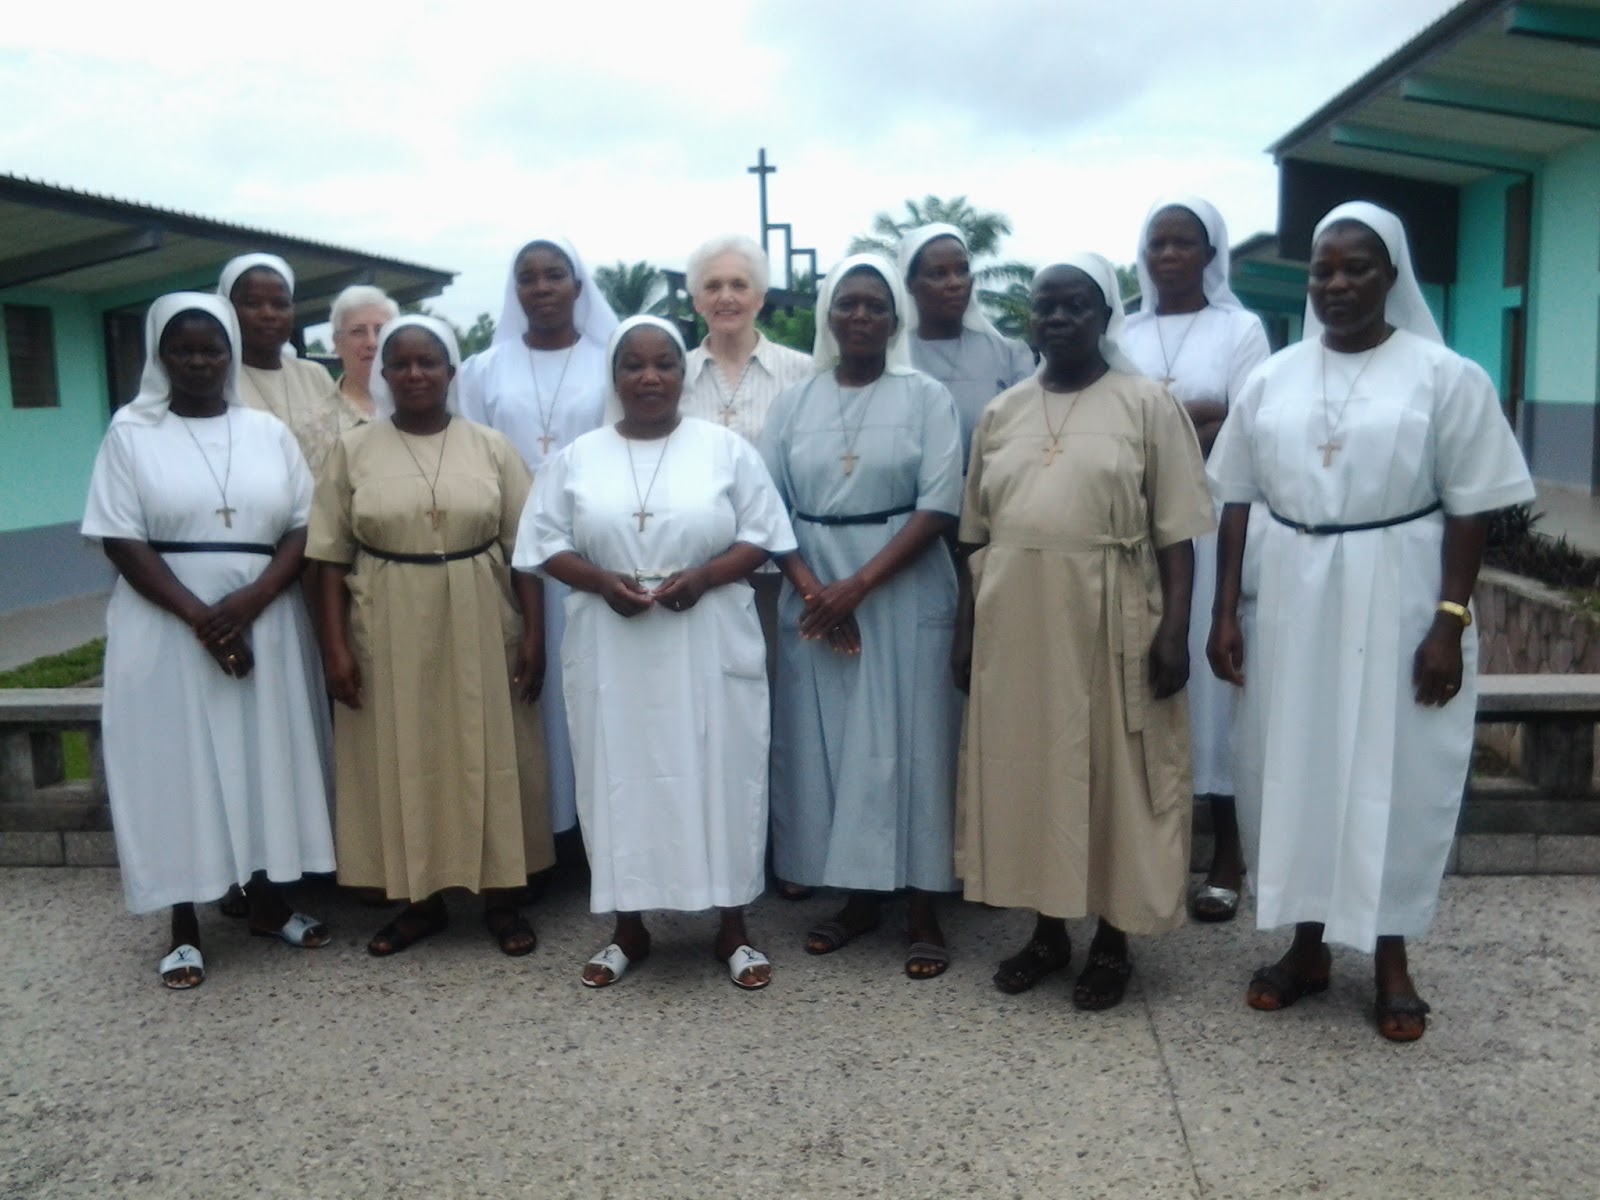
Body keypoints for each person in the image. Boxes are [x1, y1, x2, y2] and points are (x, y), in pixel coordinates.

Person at [1207, 201, 1534, 1042]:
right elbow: (1236, 496)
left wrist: (1449, 623)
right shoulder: (1271, 377)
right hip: (1288, 598)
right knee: (1295, 765)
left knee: (1393, 768)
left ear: (1393, 276)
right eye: (1324, 269)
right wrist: (1223, 609)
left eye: (1358, 267)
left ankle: (1390, 958)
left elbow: (1471, 509)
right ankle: (1307, 947)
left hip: (1398, 593)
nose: (1339, 283)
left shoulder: (1445, 375)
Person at [954, 255, 1213, 1010]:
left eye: (1076, 306)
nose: (1058, 319)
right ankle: (1046, 931)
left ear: (1105, 317)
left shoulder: (1146, 404)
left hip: (1112, 614)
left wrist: (1175, 634)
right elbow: (975, 534)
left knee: (1114, 776)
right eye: (1044, 307)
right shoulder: (1002, 412)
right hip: (1017, 623)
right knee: (1033, 771)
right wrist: (967, 634)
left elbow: (1178, 534)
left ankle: (1112, 939)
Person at [518, 315, 796, 989]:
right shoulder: (577, 457)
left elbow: (765, 534)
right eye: (633, 365)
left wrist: (703, 576)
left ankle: (732, 927)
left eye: (664, 364)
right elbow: (541, 543)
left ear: (683, 374)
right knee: (618, 775)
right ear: (614, 377)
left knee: (721, 769)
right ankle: (628, 928)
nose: (649, 377)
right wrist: (597, 581)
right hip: (613, 642)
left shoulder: (724, 449)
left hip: (707, 634)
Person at [82, 292, 335, 989]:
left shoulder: (266, 433)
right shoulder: (131, 432)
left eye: (211, 348)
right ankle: (184, 926)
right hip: (165, 627)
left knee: (264, 757)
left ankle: (267, 902)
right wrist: (203, 618)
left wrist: (251, 601)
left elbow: (301, 527)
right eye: (183, 349)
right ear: (161, 356)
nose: (199, 361)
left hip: (267, 617)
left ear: (229, 355)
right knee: (178, 765)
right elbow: (120, 538)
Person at [308, 315, 553, 957]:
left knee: (488, 749)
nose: (416, 374)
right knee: (404, 751)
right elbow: (326, 557)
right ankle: (418, 902)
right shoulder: (352, 450)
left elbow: (524, 548)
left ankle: (503, 898)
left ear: (451, 371)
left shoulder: (491, 446)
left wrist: (535, 635)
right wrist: (334, 648)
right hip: (384, 617)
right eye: (401, 363)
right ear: (383, 374)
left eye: (430, 362)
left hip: (481, 609)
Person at [759, 254, 965, 980]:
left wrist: (859, 588)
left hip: (901, 588)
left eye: (876, 306)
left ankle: (920, 905)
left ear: (896, 318)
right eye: (847, 304)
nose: (860, 317)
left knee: (911, 745)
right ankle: (855, 898)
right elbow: (768, 508)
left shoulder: (926, 397)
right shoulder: (793, 403)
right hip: (814, 586)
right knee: (833, 746)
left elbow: (941, 503)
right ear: (827, 314)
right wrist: (817, 590)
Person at [1122, 196, 1271, 923]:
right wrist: (1194, 417)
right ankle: (1156, 850)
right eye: (1159, 243)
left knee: (1214, 698)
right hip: (1132, 526)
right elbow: (1113, 421)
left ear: (1213, 255)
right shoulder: (1124, 327)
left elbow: (1244, 427)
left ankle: (1228, 855)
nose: (1170, 255)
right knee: (1146, 679)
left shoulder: (1241, 329)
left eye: (1186, 244)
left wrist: (1162, 427)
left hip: (1212, 528)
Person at [460, 237, 618, 842]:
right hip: (512, 556)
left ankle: (596, 830)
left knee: (594, 688)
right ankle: (539, 830)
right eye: (529, 278)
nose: (543, 287)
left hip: (590, 551)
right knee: (527, 689)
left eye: (556, 275)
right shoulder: (484, 370)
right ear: (515, 289)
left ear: (579, 287)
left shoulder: (611, 359)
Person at [679, 233, 814, 898]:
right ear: (695, 298)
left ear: (761, 296)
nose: (726, 297)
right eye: (713, 286)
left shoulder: (801, 371)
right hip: (696, 584)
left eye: (739, 285)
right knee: (711, 719)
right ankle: (714, 852)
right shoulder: (670, 373)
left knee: (782, 717)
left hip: (778, 578)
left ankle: (787, 854)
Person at [898, 223, 1035, 461]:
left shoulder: (1009, 357)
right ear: (911, 285)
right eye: (938, 274)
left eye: (962, 270)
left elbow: (1026, 439)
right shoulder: (893, 357)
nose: (955, 283)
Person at [218, 254, 343, 475]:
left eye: (280, 304)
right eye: (253, 303)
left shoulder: (314, 375)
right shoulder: (217, 378)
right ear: (227, 309)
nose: (268, 314)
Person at [328, 284, 399, 423]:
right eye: (358, 331)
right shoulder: (313, 426)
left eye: (380, 330)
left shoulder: (424, 412)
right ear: (338, 344)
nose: (372, 343)